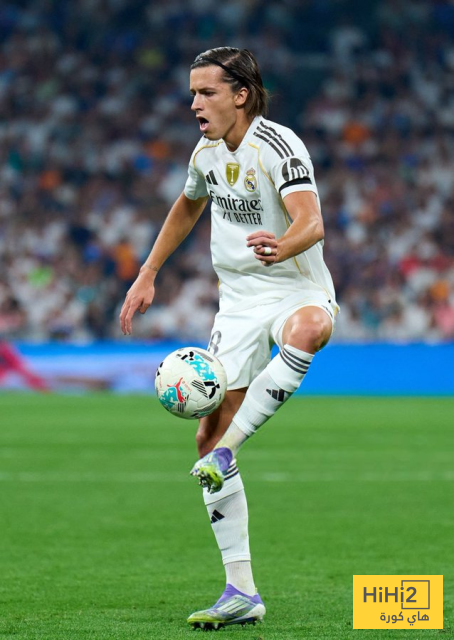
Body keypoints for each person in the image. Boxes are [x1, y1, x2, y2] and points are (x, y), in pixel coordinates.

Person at [120, 47, 338, 630]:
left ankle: (229, 449)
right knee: (205, 438)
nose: (195, 103)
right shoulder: (206, 153)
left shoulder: (280, 145)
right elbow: (187, 205)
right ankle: (240, 590)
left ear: (241, 95)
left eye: (207, 92)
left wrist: (281, 246)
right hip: (238, 303)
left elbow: (312, 222)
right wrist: (148, 272)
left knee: (310, 329)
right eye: (192, 93)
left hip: (293, 285)